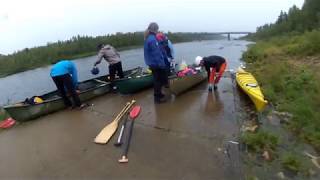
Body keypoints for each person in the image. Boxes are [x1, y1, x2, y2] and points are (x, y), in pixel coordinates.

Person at [144, 22, 168, 103]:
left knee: (157, 80)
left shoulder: (149, 38)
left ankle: (159, 94)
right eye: (157, 29)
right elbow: (156, 54)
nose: (158, 31)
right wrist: (162, 65)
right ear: (155, 29)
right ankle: (157, 98)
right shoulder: (152, 40)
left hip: (152, 63)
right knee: (158, 81)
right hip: (156, 64)